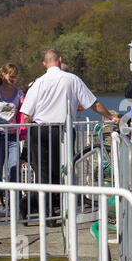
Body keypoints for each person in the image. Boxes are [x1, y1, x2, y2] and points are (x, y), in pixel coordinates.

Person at [20, 49, 119, 225]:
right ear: (60, 60)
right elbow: (93, 104)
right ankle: (47, 210)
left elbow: (26, 114)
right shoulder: (72, 79)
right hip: (62, 131)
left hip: (39, 130)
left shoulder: (38, 82)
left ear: (44, 64)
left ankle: (42, 211)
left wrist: (28, 133)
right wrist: (110, 117)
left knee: (42, 173)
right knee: (62, 170)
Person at [0, 63, 26, 217]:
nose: (14, 79)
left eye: (16, 76)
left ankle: (16, 202)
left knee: (14, 167)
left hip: (13, 135)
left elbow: (25, 110)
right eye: (11, 76)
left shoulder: (19, 93)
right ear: (3, 75)